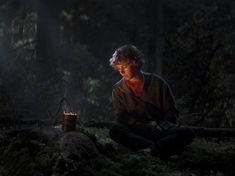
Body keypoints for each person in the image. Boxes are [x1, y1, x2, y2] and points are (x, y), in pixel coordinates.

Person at [109, 44, 195, 159]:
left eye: (124, 66)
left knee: (188, 133)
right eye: (118, 68)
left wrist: (159, 126)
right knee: (115, 130)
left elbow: (172, 112)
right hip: (137, 132)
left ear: (136, 63)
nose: (121, 71)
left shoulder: (157, 83)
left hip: (160, 132)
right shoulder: (118, 89)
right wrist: (140, 125)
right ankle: (156, 148)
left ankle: (149, 149)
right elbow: (121, 116)